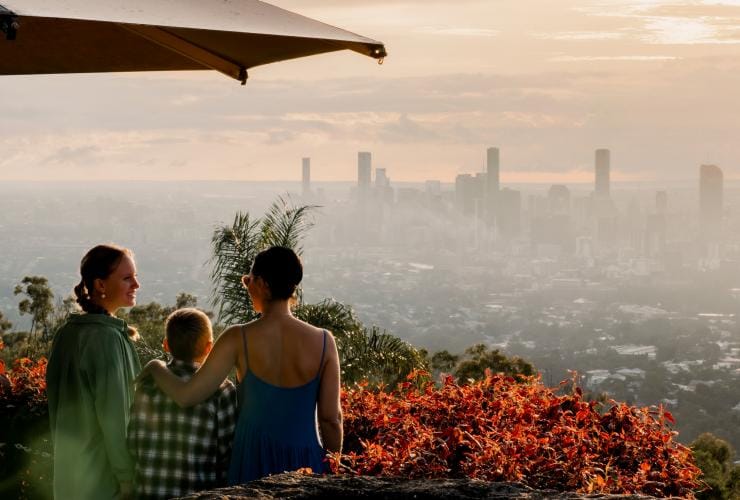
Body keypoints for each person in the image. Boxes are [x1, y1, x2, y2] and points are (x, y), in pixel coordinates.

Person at [141, 246, 342, 484]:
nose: (247, 286)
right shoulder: (324, 341)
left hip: (251, 461)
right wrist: (334, 468)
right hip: (306, 461)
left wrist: (155, 366)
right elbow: (331, 419)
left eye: (249, 280)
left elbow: (187, 396)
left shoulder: (237, 338)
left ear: (264, 284)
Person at [46, 244, 141, 499]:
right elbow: (116, 417)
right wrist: (126, 478)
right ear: (100, 285)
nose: (136, 284)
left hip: (67, 480)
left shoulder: (65, 334)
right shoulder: (108, 340)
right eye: (127, 278)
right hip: (103, 483)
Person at [127, 308, 238, 499]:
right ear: (209, 347)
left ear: (166, 345)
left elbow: (133, 443)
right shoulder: (222, 390)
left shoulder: (147, 384)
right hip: (199, 493)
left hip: (148, 492)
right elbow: (227, 454)